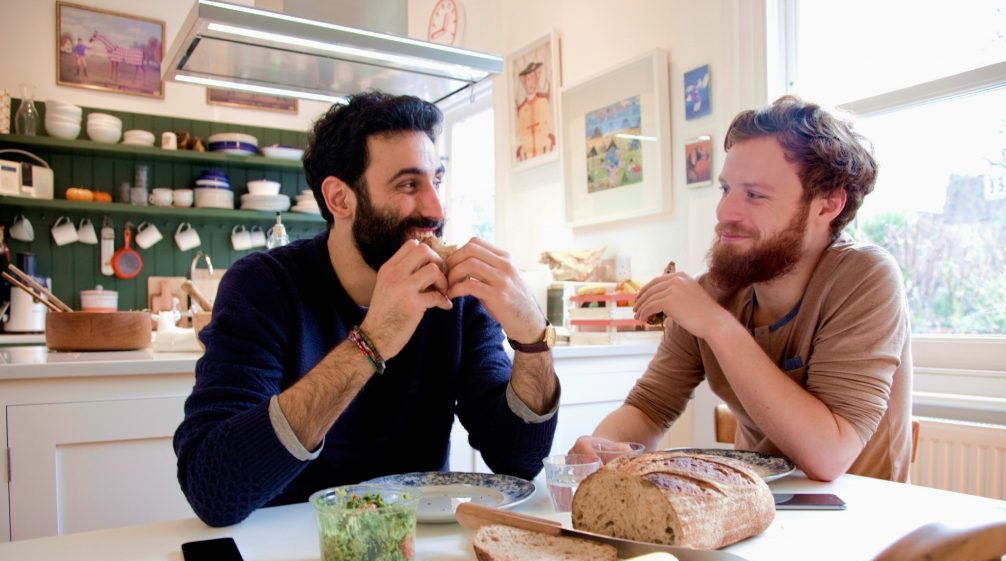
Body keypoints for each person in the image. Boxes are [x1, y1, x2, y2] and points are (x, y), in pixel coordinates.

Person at [175, 92, 559, 527]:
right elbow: (213, 489)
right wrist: (370, 342)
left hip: (418, 553)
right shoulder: (262, 287)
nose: (435, 209)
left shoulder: (457, 298)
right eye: (408, 185)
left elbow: (518, 458)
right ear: (340, 199)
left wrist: (533, 340)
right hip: (292, 556)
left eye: (437, 180)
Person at [574, 95, 912, 482]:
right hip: (755, 509)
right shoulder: (714, 292)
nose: (724, 213)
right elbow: (649, 408)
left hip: (860, 516)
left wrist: (717, 326)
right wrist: (603, 446)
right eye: (725, 190)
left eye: (754, 195)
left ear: (827, 205)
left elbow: (830, 455)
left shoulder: (866, 277)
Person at [515, 61, 555, 161]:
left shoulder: (543, 101)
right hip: (527, 157)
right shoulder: (522, 109)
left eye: (533, 78)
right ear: (525, 82)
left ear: (537, 80)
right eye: (528, 79)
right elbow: (520, 135)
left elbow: (549, 127)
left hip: (545, 153)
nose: (530, 83)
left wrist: (549, 142)